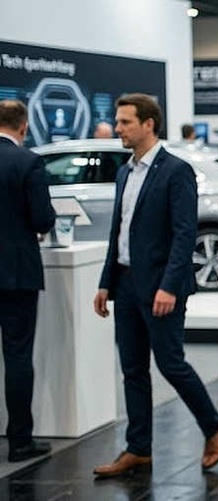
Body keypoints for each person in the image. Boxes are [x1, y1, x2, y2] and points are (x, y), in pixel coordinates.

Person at [92, 93, 218, 478]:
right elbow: (118, 233)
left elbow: (185, 234)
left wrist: (169, 286)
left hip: (162, 287)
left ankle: (214, 426)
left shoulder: (175, 170)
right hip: (126, 283)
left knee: (171, 364)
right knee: (132, 369)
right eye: (118, 122)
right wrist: (106, 283)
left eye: (125, 122)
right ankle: (138, 449)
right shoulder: (125, 172)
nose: (118, 129)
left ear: (149, 124)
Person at [0, 99, 55, 462]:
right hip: (16, 273)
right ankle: (19, 441)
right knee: (18, 355)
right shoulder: (28, 162)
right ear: (23, 126)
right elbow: (42, 219)